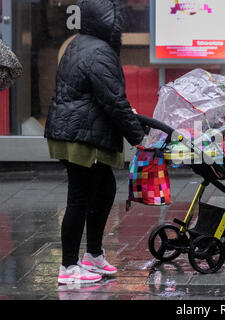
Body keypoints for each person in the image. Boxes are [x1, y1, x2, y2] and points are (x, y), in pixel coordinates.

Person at [45, 0, 145, 285]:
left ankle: (93, 255)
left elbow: (100, 95)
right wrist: (138, 137)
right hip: (80, 136)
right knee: (80, 198)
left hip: (75, 130)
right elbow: (114, 100)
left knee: (103, 189)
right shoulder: (100, 51)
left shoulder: (81, 43)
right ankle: (68, 267)